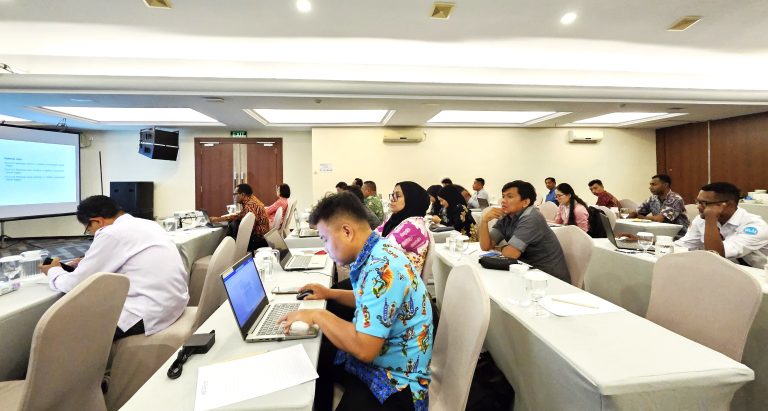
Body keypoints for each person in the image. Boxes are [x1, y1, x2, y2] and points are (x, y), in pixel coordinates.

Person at [280, 193, 433, 411]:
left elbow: (364, 349)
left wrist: (318, 315)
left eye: (324, 238)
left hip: (397, 384)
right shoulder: (379, 250)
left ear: (346, 231)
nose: (325, 246)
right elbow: (372, 301)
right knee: (316, 358)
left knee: (318, 357)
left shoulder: (382, 268)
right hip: (383, 361)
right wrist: (330, 293)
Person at [40, 195, 188, 340]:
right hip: (173, 304)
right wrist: (88, 262)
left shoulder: (111, 233)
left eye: (88, 230)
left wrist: (53, 271)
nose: (91, 234)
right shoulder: (148, 224)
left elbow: (74, 285)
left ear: (97, 221)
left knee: (60, 330)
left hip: (145, 314)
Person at [479, 180, 571, 283]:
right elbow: (486, 246)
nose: (503, 201)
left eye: (509, 197)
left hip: (548, 279)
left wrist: (498, 248)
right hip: (524, 272)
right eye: (503, 196)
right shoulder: (507, 215)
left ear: (525, 202)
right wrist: (484, 221)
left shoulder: (531, 218)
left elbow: (510, 254)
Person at [675, 182, 768, 268]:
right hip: (726, 271)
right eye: (698, 202)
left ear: (727, 205)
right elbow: (684, 245)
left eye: (704, 203)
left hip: (759, 276)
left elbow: (716, 254)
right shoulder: (701, 220)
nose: (698, 207)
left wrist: (711, 218)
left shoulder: (755, 226)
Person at [377, 181, 431, 274]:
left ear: (412, 199)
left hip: (399, 284)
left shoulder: (414, 226)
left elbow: (383, 251)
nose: (392, 199)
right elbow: (374, 235)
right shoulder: (395, 219)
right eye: (392, 195)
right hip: (385, 274)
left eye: (397, 195)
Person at [210, 183, 270, 250]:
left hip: (258, 240)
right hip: (262, 237)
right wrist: (219, 219)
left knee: (233, 226)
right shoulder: (251, 200)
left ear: (243, 194)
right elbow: (239, 216)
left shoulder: (249, 206)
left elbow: (248, 229)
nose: (233, 197)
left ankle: (224, 252)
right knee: (234, 224)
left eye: (235, 194)